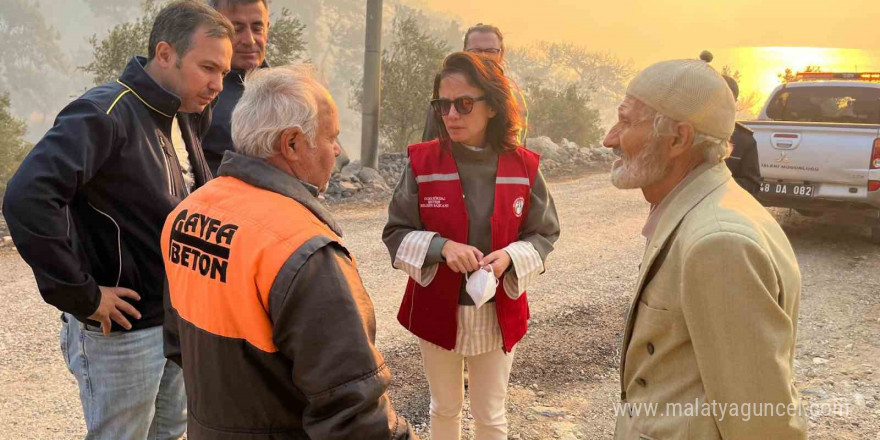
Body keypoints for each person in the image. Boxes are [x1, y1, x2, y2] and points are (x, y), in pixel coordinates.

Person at [2, 1, 233, 438]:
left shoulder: (183, 117)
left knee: (169, 433)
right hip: (120, 332)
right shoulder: (103, 112)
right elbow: (27, 196)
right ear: (165, 54)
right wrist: (83, 296)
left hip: (173, 322)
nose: (218, 85)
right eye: (208, 68)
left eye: (222, 72)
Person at [161, 65, 416, 439]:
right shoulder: (305, 251)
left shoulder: (187, 213)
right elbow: (355, 414)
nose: (338, 150)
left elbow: (177, 343)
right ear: (292, 144)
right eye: (333, 137)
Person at [604, 56, 806, 439]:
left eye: (627, 122)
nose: (610, 138)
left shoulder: (719, 242)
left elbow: (761, 420)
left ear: (678, 138)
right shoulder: (699, 208)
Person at [384, 52, 559, 440]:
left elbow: (544, 233)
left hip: (499, 310)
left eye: (464, 104)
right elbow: (396, 232)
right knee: (444, 408)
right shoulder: (422, 162)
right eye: (442, 105)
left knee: (491, 414)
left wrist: (511, 257)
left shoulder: (525, 166)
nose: (451, 115)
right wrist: (442, 247)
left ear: (494, 106)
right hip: (437, 308)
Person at [421, 23, 528, 145]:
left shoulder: (514, 99)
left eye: (491, 51)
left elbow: (517, 147)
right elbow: (430, 144)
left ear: (501, 54)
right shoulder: (445, 98)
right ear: (465, 53)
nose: (483, 56)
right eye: (476, 51)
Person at [202, 0, 271, 175]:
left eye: (257, 28)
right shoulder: (195, 94)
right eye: (236, 29)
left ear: (267, 28)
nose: (249, 40)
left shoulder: (287, 91)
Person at [722, 74, 762, 194]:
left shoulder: (744, 140)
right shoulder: (688, 133)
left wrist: (718, 185)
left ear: (735, 102)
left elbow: (752, 185)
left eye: (727, 99)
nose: (722, 104)